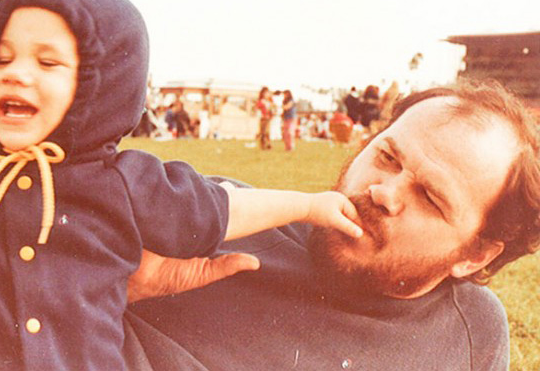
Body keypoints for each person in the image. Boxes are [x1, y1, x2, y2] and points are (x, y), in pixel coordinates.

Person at [0, 0, 364, 371]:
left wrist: (310, 205)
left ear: (103, 83)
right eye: (4, 57)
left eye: (48, 62)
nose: (16, 75)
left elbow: (217, 208)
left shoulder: (127, 184)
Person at [123, 83, 540, 370]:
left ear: (476, 255)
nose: (384, 192)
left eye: (430, 198)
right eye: (388, 157)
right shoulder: (207, 218)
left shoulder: (469, 334)